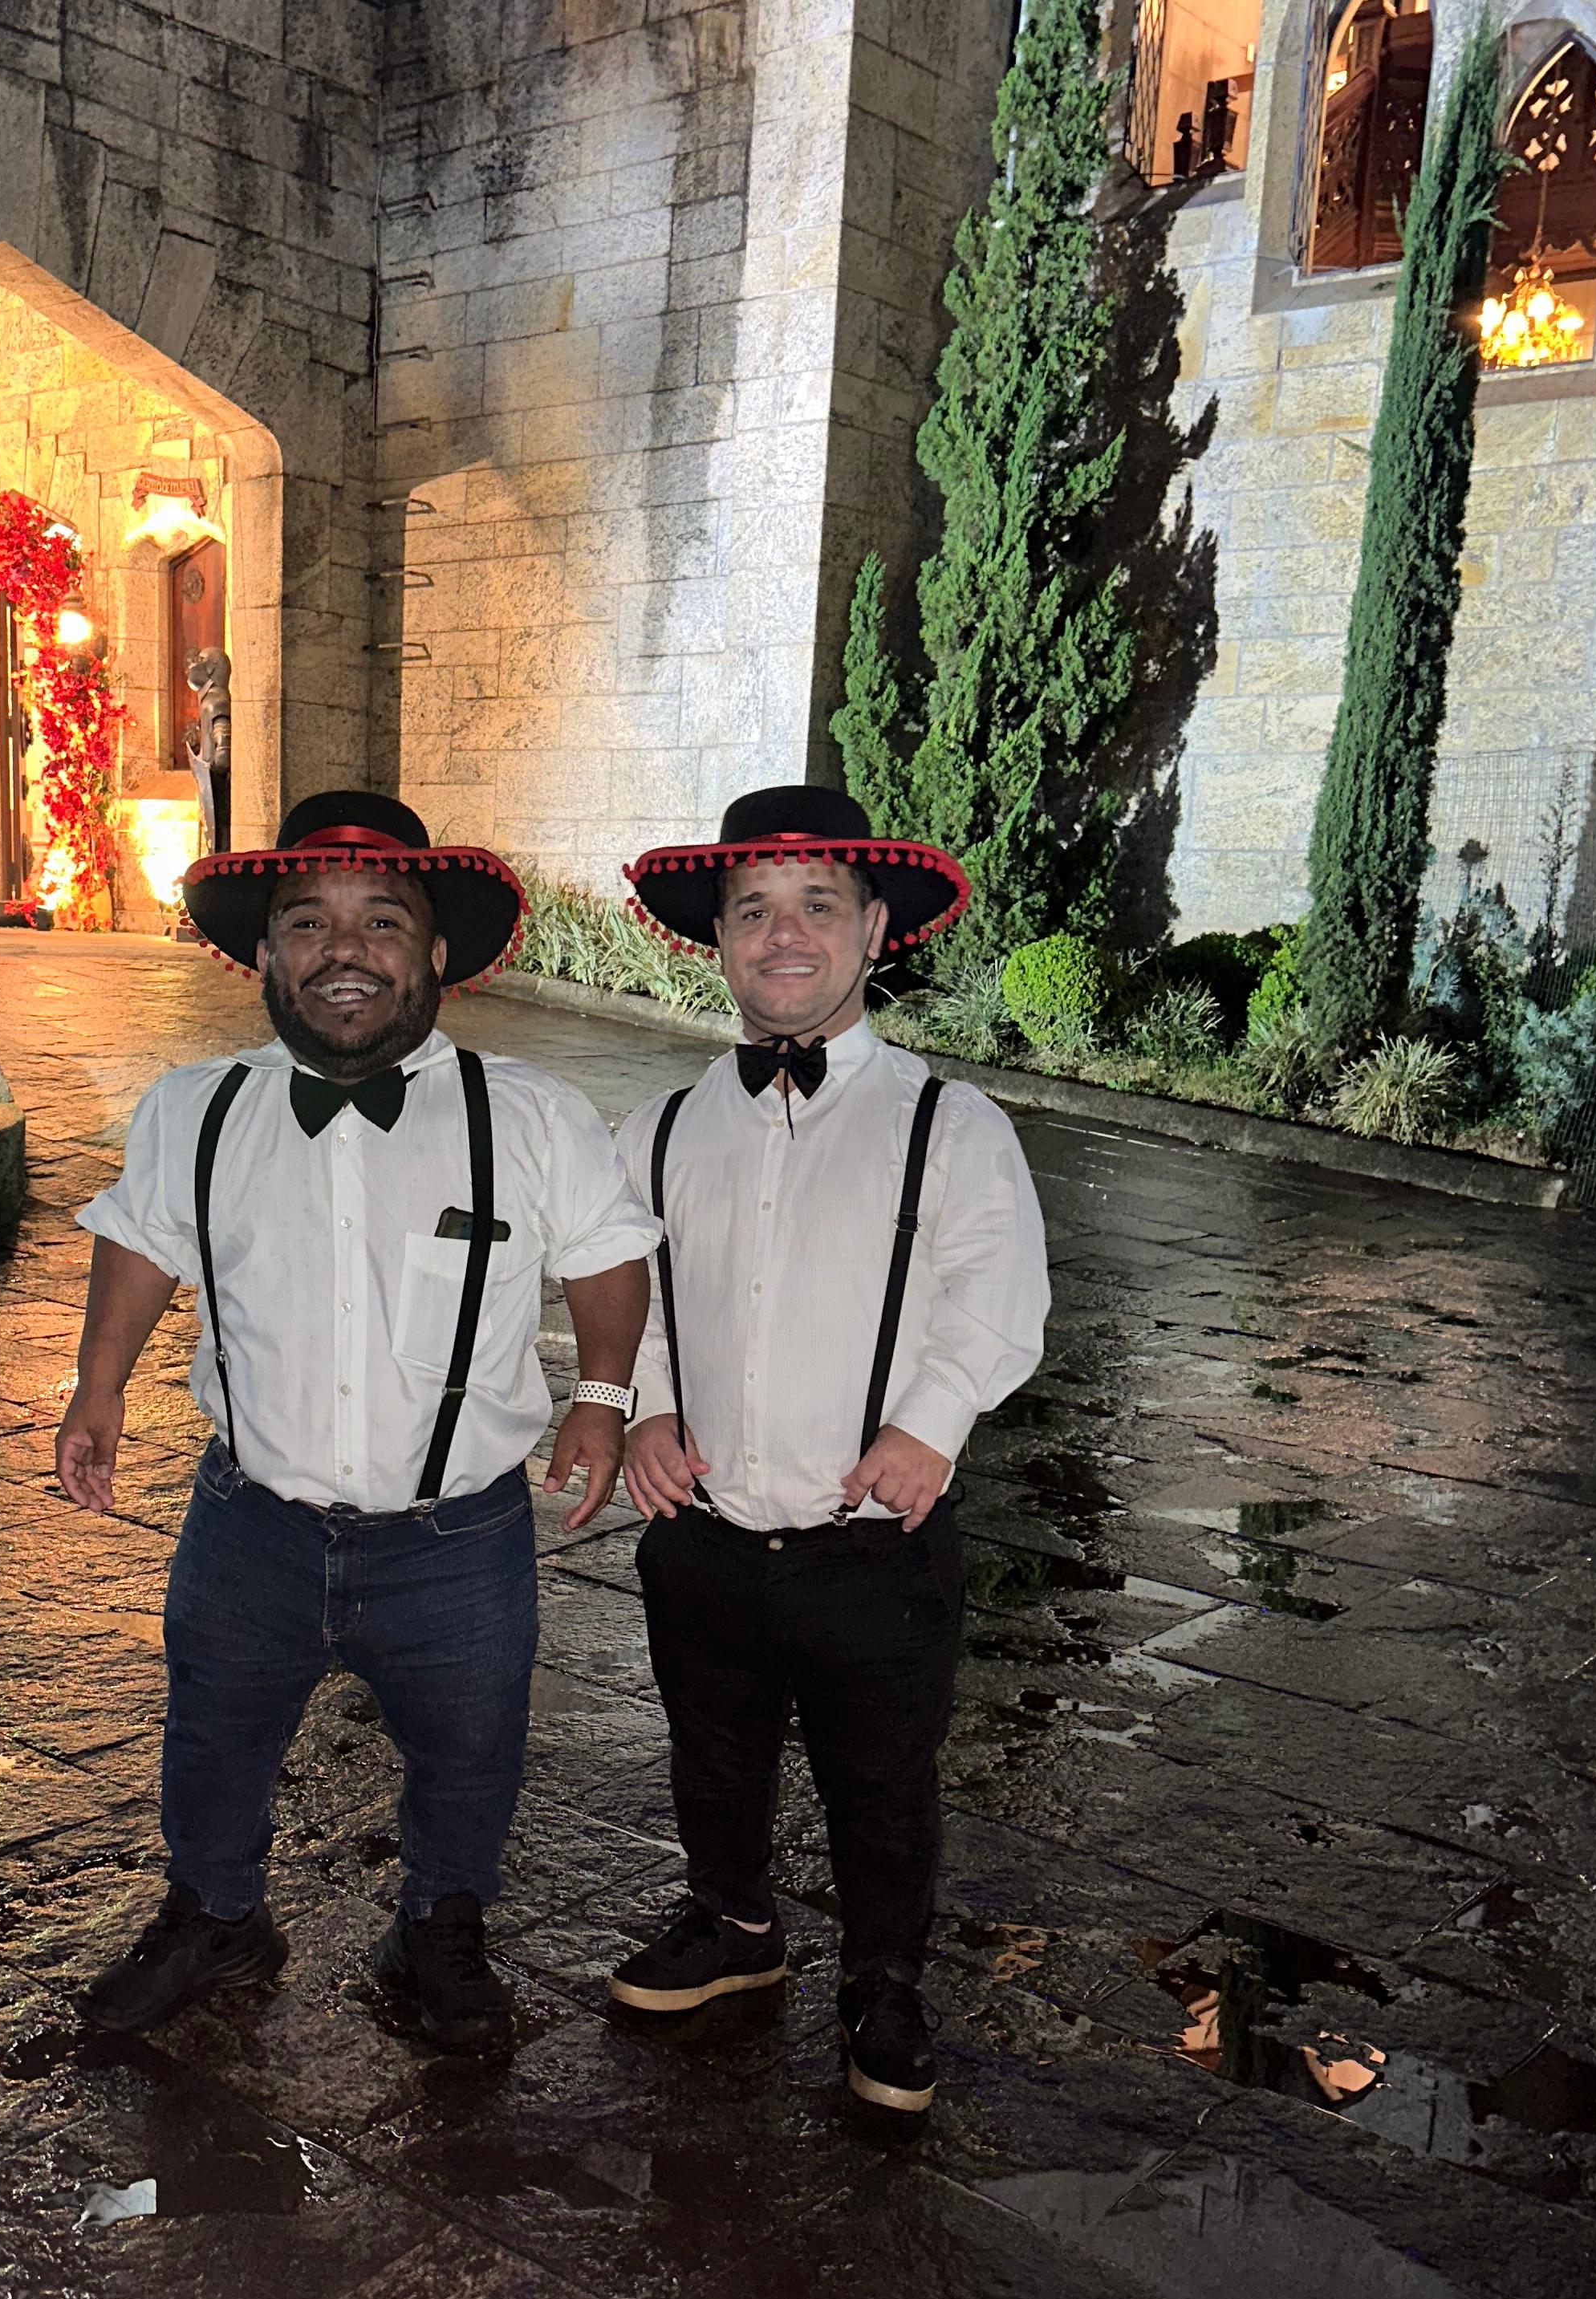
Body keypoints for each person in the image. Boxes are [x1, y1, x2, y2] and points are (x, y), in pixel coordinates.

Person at [56, 790, 660, 2054]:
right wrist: (96, 1386)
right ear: (265, 952)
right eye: (308, 922)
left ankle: (440, 1924)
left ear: (434, 951)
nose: (345, 950)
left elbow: (609, 1252)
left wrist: (605, 1396)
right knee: (213, 1735)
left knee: (471, 1749)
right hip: (251, 1521)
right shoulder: (195, 1108)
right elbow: (142, 1240)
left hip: (458, 1537)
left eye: (382, 920)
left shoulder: (529, 1115)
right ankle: (214, 1914)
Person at [605, 787, 1050, 2111]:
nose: (783, 935)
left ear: (872, 930)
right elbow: (623, 1289)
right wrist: (642, 1405)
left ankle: (884, 1980)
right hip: (705, 1527)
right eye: (753, 910)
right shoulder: (663, 1127)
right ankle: (734, 1926)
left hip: (874, 1537)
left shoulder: (948, 1123)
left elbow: (996, 1292)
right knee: (713, 1750)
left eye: (816, 906)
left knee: (882, 1780)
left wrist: (934, 1419)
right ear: (718, 941)